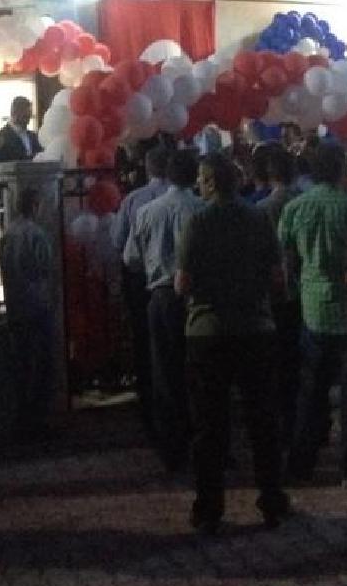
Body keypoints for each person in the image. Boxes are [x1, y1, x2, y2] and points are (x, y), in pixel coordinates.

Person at [175, 153, 291, 534]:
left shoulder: (198, 222)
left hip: (208, 331)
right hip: (255, 328)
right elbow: (278, 277)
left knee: (210, 425)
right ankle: (272, 499)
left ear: (209, 183)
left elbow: (182, 283)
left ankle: (209, 507)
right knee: (263, 420)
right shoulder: (258, 218)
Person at [279, 143, 347, 483]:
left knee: (311, 392)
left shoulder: (295, 208)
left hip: (313, 307)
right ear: (340, 169)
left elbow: (286, 259)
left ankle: (301, 463)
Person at [123, 148, 203, 471]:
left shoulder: (146, 211)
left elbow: (131, 258)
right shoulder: (201, 209)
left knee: (165, 373)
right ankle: (204, 440)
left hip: (161, 296)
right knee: (201, 371)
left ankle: (172, 448)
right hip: (198, 298)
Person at [110, 146, 169, 438]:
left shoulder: (134, 201)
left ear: (147, 167)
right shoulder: (192, 201)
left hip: (141, 282)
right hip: (178, 285)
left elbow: (120, 244)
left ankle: (150, 410)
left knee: (144, 345)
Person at [253, 143, 304, 451]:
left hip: (275, 296)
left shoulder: (262, 209)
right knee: (301, 364)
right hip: (305, 292)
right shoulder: (304, 201)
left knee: (279, 365)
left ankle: (284, 426)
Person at [1, 187, 56, 441]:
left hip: (15, 305)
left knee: (21, 365)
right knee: (41, 364)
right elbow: (45, 268)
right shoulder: (36, 234)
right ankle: (37, 421)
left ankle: (22, 418)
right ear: (35, 205)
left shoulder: (8, 233)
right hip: (36, 304)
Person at [0, 95, 43, 161]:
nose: (28, 118)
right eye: (24, 115)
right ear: (13, 113)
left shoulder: (34, 137)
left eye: (29, 114)